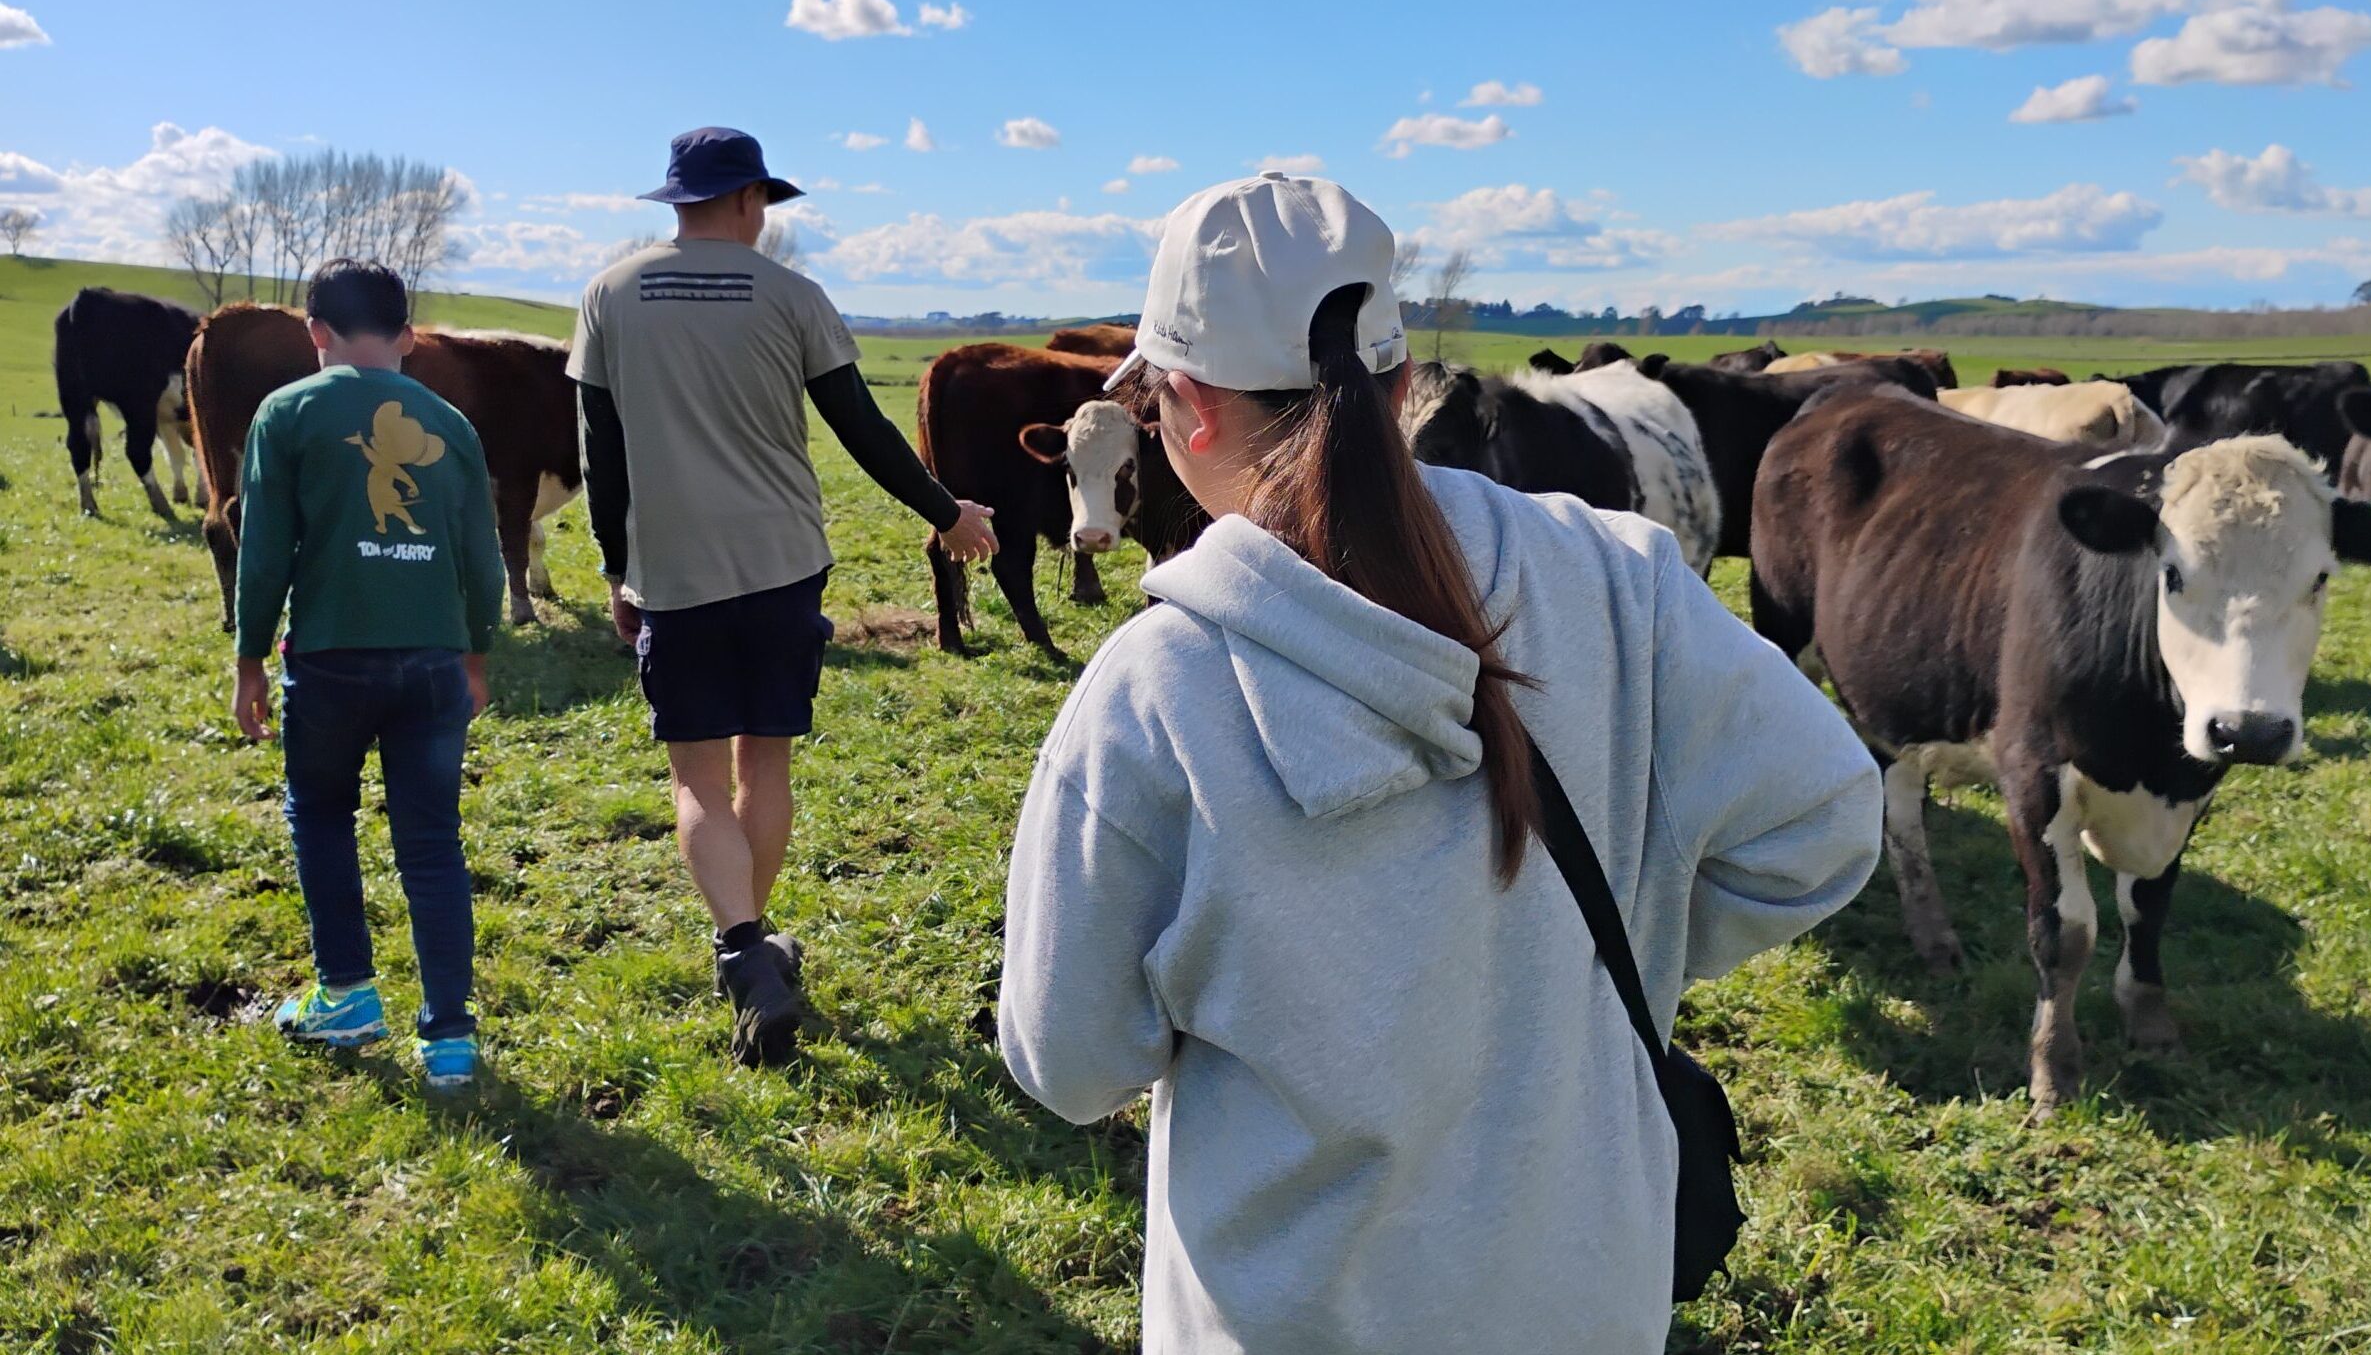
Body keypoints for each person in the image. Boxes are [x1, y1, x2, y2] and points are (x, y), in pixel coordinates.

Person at [998, 173, 1884, 1353]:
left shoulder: (1157, 690)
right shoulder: (1620, 577)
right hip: (1585, 1292)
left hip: (1286, 1316)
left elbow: (1069, 1063)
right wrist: (1607, 955)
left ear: (1184, 408)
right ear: (1402, 384)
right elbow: (1822, 818)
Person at [571, 126, 998, 1065]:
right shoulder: (794, 295)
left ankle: (744, 952)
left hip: (674, 571)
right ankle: (753, 951)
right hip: (781, 562)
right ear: (748, 200)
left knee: (692, 776)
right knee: (762, 763)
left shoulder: (607, 294)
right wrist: (947, 510)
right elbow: (862, 427)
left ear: (677, 200)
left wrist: (615, 566)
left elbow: (601, 456)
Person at [233, 259, 503, 1093]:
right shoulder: (451, 423)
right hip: (431, 667)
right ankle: (450, 1040)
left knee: (319, 812)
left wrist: (249, 656)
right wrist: (477, 651)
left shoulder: (287, 412)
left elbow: (265, 551)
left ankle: (346, 993)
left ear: (315, 331)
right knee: (431, 843)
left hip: (329, 662)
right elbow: (483, 559)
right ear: (409, 337)